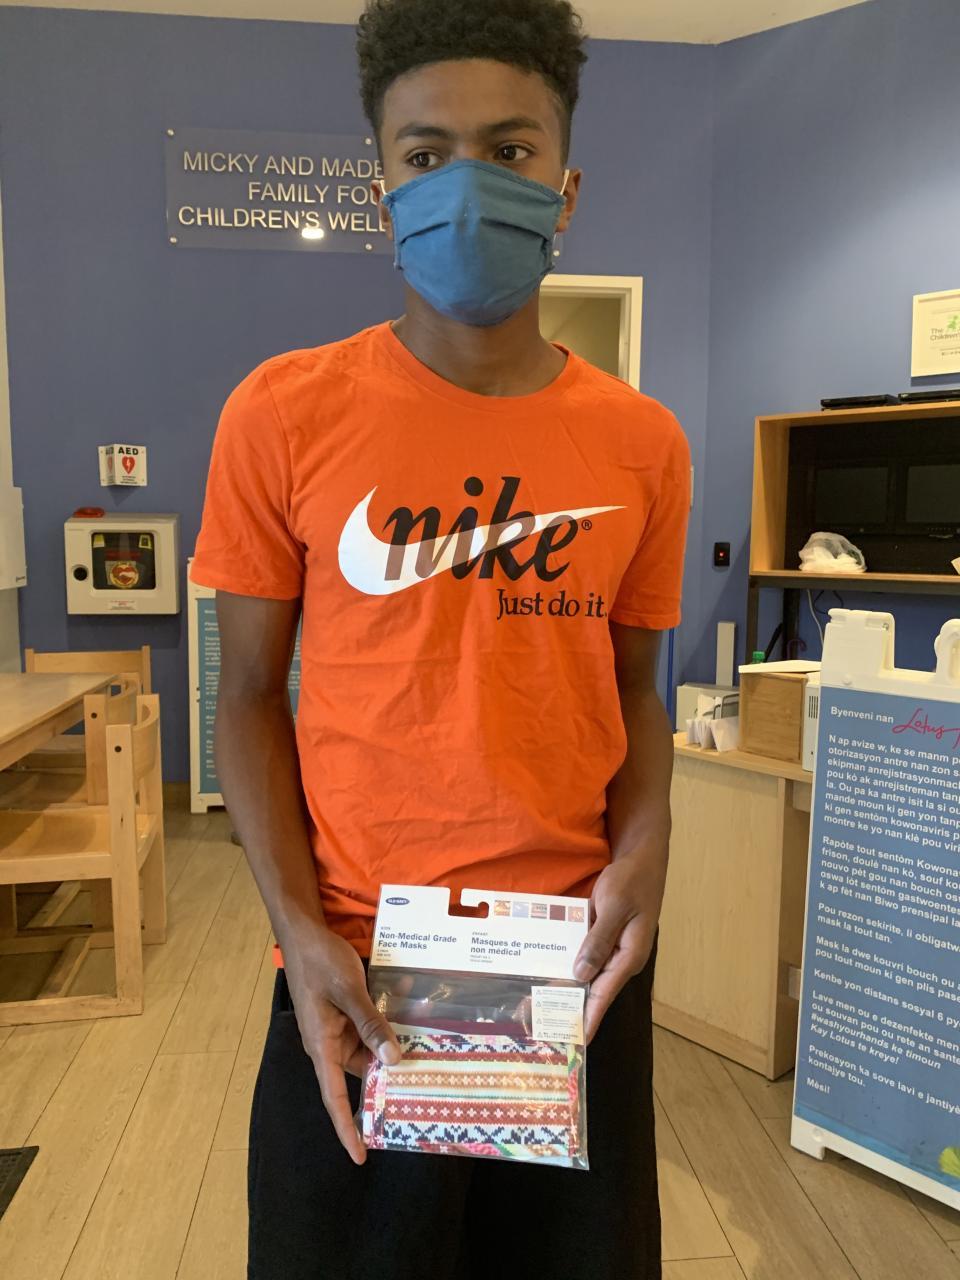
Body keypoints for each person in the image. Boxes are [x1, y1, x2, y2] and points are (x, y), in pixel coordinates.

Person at [191, 1, 691, 1276]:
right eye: (427, 154)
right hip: (362, 964)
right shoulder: (282, 413)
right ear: (385, 192)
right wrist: (299, 927)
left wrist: (647, 846)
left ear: (565, 187)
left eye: (509, 148)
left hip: (571, 964)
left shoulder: (643, 444)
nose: (468, 182)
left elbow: (638, 689)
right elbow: (246, 696)